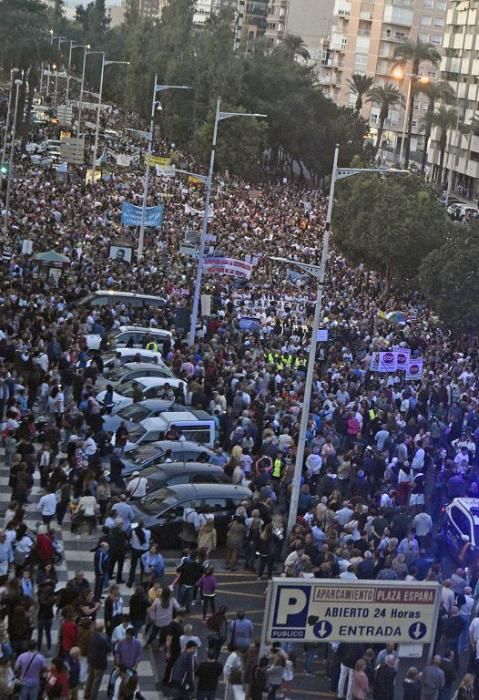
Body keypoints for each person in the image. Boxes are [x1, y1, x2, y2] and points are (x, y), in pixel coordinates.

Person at [84, 621, 112, 700]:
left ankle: (86, 694)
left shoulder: (92, 635)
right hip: (100, 663)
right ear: (102, 629)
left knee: (90, 678)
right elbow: (109, 648)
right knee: (96, 682)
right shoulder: (103, 638)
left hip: (91, 660)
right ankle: (92, 697)